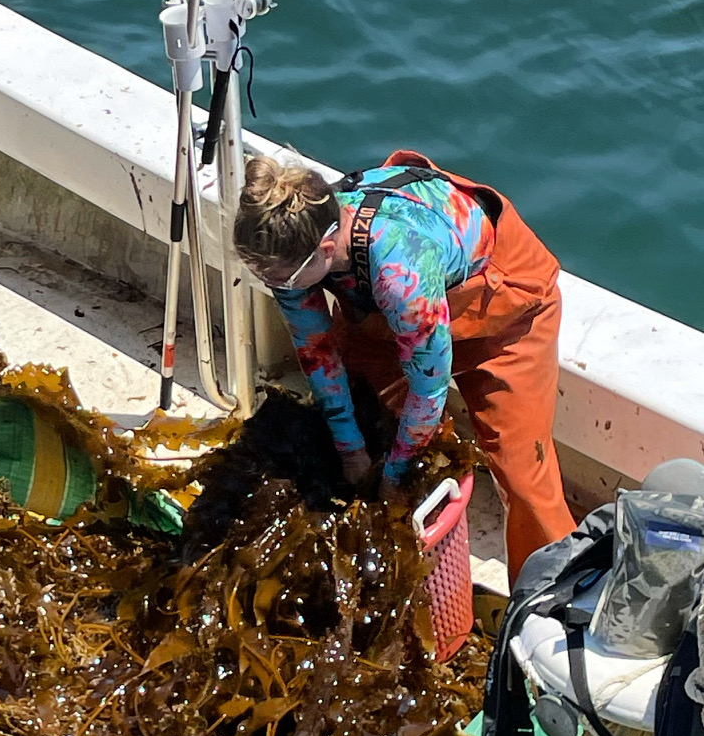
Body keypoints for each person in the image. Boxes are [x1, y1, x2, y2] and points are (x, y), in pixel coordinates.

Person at [232, 148, 577, 581]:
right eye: (266, 277)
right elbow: (319, 357)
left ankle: (552, 600)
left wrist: (395, 475)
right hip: (387, 314)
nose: (276, 287)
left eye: (281, 279)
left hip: (505, 312)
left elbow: (428, 391)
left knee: (521, 470)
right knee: (364, 420)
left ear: (325, 247)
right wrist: (351, 450)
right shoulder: (289, 252)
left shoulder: (399, 268)